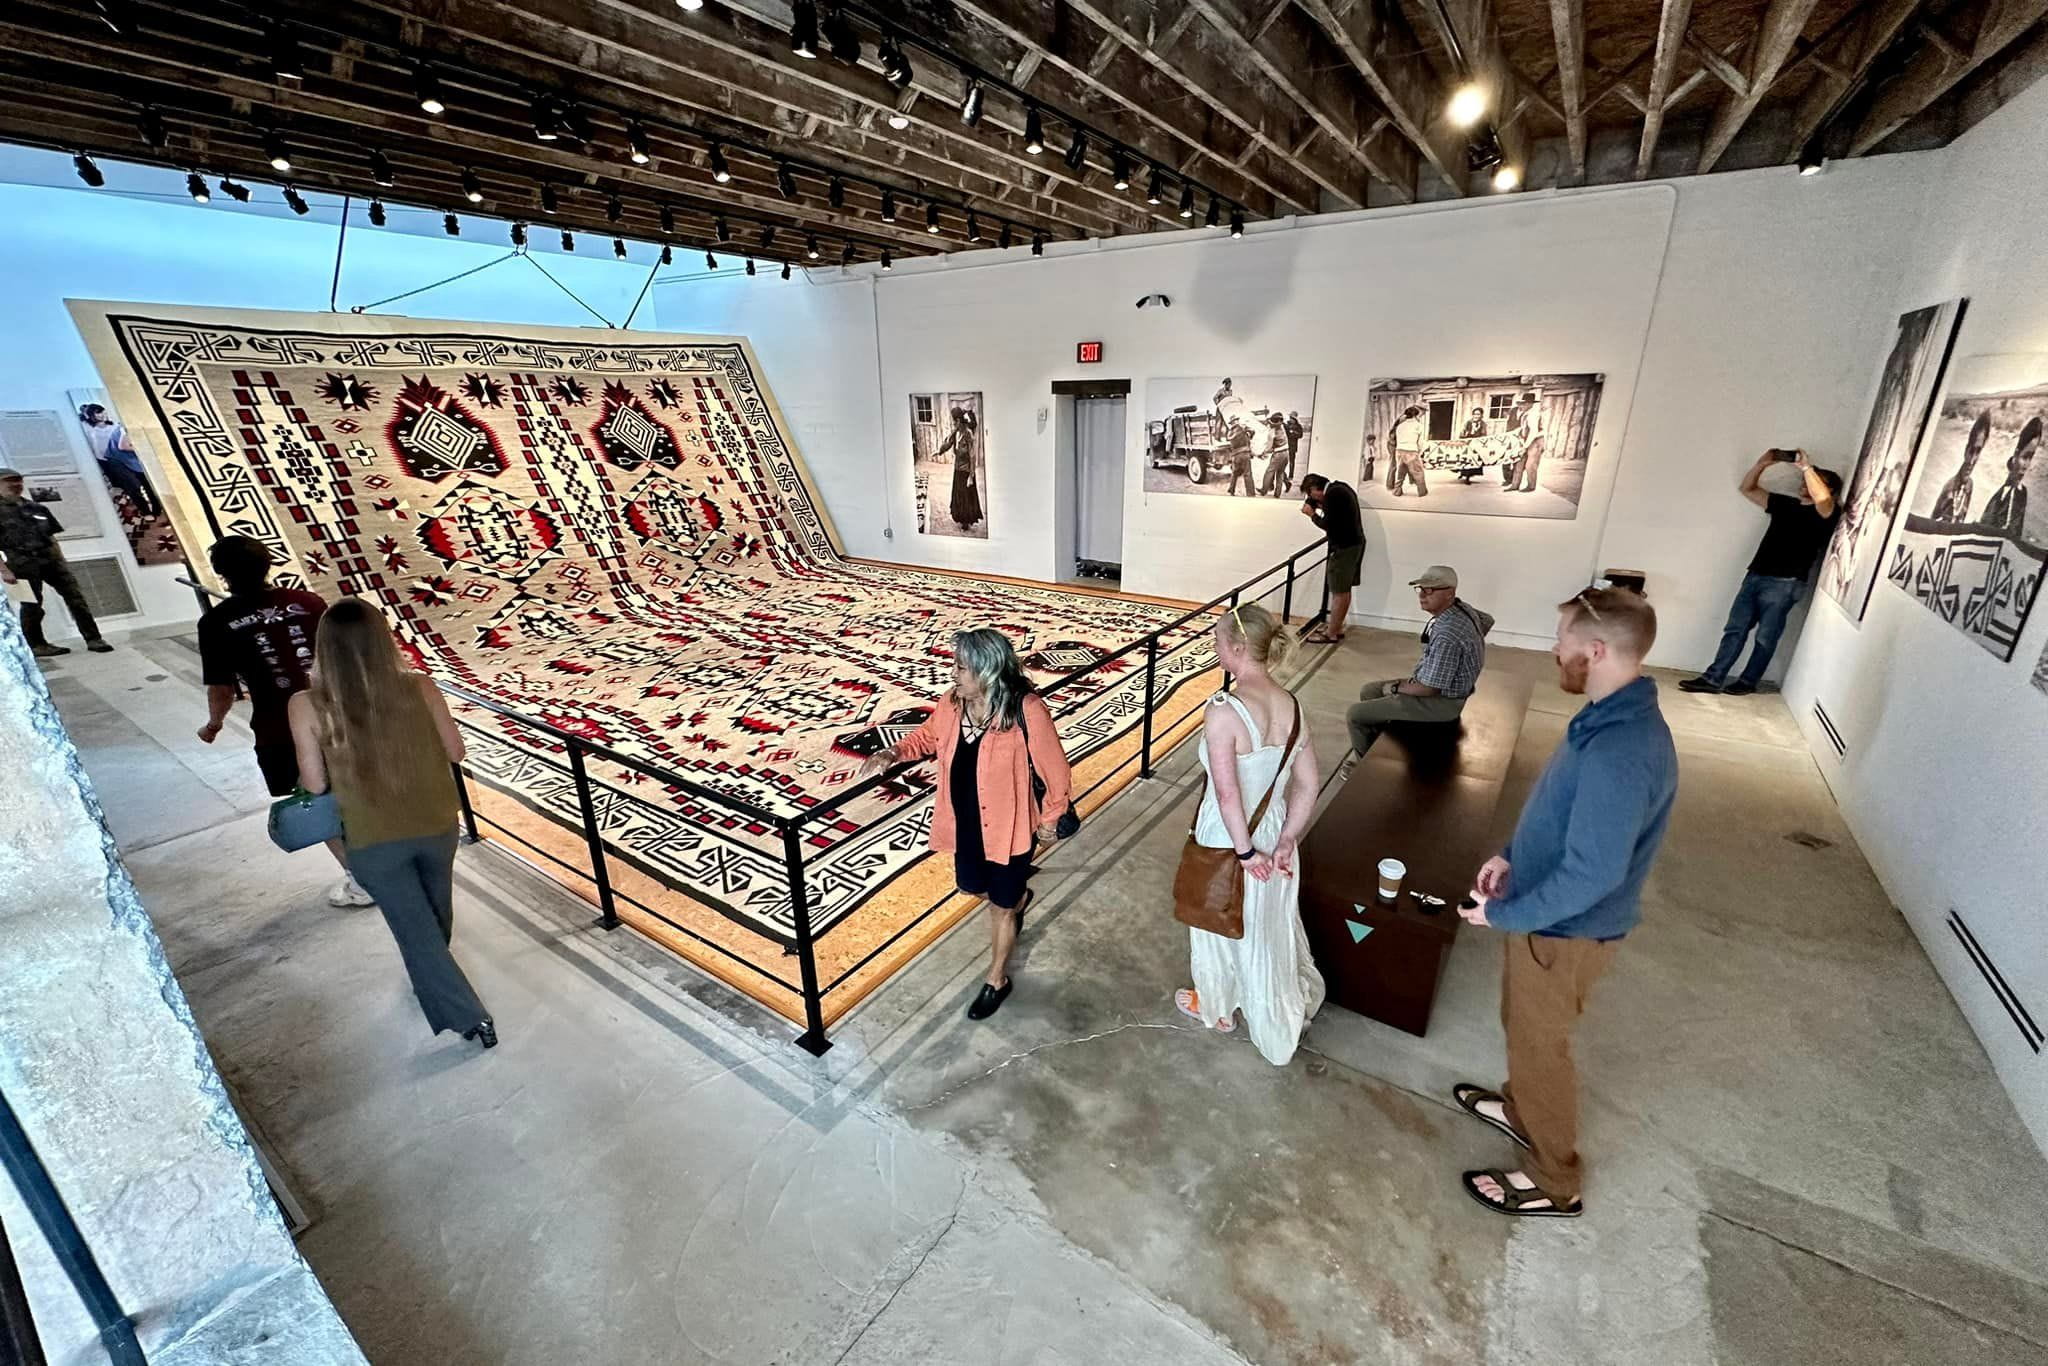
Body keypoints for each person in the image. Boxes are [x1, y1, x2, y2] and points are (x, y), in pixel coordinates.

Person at [1454, 587, 1677, 1218]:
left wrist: (1503, 915)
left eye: (1564, 643)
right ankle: (1522, 1109)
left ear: (1597, 650)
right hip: (1546, 916)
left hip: (1566, 929)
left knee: (1539, 1047)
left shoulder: (1621, 750)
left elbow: (1593, 873)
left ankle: (1554, 1179)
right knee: (1521, 1027)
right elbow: (1558, 812)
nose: (1554, 651)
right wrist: (1511, 858)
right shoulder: (1608, 716)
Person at [287, 598, 496, 1049]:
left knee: (414, 927)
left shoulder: (305, 705)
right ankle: (450, 995)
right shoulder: (420, 685)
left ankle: (466, 1014)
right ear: (383, 639)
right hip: (435, 820)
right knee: (434, 914)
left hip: (372, 836)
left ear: (323, 647)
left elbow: (316, 784)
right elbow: (456, 752)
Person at [860, 628, 1074, 1021]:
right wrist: (893, 751)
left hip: (1008, 830)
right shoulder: (953, 703)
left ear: (987, 672)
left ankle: (997, 979)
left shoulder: (1026, 710)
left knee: (1000, 908)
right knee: (972, 887)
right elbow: (928, 736)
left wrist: (1050, 819)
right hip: (964, 826)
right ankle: (1017, 899)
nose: (953, 673)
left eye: (961, 667)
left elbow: (1056, 772)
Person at [1176, 604, 1325, 1064]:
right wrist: (1286, 840)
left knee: (1219, 919)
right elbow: (1309, 783)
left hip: (1230, 835)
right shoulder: (1292, 705)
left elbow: (1226, 796)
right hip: (1277, 827)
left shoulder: (1225, 709)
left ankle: (1219, 1006)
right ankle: (1267, 998)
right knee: (1266, 923)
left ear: (1237, 649)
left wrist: (1244, 854)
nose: (1215, 648)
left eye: (1218, 641)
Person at [196, 535, 373, 909]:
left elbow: (222, 687)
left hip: (282, 727)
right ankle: (387, 862)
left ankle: (363, 881)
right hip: (341, 712)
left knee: (317, 800)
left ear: (221, 573)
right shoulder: (308, 602)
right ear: (267, 565)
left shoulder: (216, 621)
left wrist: (213, 725)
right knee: (360, 790)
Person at [1679, 450, 1841, 696]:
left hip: (1787, 582)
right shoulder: (1785, 504)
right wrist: (1762, 464)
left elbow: (1823, 501)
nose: (1804, 485)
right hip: (1756, 574)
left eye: (1813, 482)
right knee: (1735, 629)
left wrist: (1807, 469)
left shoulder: (1827, 513)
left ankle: (1748, 681)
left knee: (1766, 637)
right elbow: (1747, 489)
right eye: (1805, 480)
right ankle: (1713, 679)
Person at [1344, 566, 1492, 757]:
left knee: (1355, 715)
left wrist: (1395, 688)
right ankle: (1379, 751)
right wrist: (1469, 649)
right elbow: (1488, 620)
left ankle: (1361, 765)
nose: (1422, 595)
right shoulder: (1463, 608)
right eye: (1420, 589)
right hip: (1436, 687)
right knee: (1369, 690)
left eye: (1430, 590)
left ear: (1449, 593)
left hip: (1443, 703)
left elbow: (1430, 689)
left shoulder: (1448, 635)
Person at [0, 467, 113, 658]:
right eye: (10, 481)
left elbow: (51, 537)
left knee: (76, 599)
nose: (16, 484)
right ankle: (36, 644)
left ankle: (93, 638)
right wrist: (3, 571)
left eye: (19, 480)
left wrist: (60, 560)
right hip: (20, 564)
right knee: (30, 605)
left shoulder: (37, 508)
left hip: (51, 560)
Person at [1300, 473, 1364, 645]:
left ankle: (1331, 633)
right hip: (1353, 544)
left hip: (1344, 547)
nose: (1310, 498)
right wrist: (1313, 503)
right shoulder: (1340, 487)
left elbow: (1329, 526)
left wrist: (1312, 515)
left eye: (1310, 494)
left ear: (1315, 489)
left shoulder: (1334, 496)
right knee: (1343, 590)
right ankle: (1336, 627)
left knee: (1339, 591)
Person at [77, 403, 162, 520]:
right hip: (110, 460)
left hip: (128, 457)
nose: (102, 415)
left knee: (146, 483)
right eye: (98, 413)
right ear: (91, 415)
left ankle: (156, 508)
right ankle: (145, 511)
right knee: (131, 486)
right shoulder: (89, 429)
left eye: (103, 411)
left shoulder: (115, 426)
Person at [1982, 416, 2039, 538]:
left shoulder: (2023, 492)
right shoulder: (2002, 492)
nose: (2027, 465)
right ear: (2016, 454)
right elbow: (1985, 528)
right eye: (2025, 457)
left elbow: (2018, 530)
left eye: (2031, 458)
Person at [1931, 413, 1988, 524]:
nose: (1972, 460)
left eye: (1978, 452)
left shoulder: (1969, 485)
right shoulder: (1949, 487)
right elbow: (1931, 522)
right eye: (1971, 451)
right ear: (1966, 450)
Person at [934, 407, 983, 533]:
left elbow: (972, 456)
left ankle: (966, 522)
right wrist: (939, 451)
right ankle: (961, 518)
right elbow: (949, 444)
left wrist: (971, 476)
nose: (952, 424)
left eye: (953, 421)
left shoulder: (968, 434)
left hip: (966, 471)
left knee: (966, 497)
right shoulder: (956, 433)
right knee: (959, 496)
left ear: (958, 421)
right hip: (957, 470)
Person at [1508, 392, 1545, 493]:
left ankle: (1531, 486)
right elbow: (1524, 428)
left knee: (1530, 464)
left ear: (1530, 404)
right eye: (1521, 404)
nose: (1521, 406)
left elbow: (1533, 431)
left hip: (1536, 441)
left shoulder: (1534, 414)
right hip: (1525, 439)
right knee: (1519, 462)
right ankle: (1515, 485)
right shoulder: (1525, 414)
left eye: (1523, 404)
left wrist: (1525, 446)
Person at [1391, 405, 1428, 497]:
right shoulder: (1418, 426)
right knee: (1418, 472)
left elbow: (1397, 439)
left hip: (1399, 450)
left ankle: (1397, 491)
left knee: (1400, 472)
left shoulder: (1400, 426)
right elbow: (1420, 442)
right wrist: (1419, 452)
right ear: (1416, 415)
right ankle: (1422, 492)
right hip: (1411, 450)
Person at [1283, 410, 1305, 491]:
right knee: (1284, 462)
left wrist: (1293, 433)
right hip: (1285, 446)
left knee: (1292, 462)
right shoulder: (1286, 425)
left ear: (1294, 419)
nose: (1290, 419)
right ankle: (1285, 475)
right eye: (1290, 418)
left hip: (1292, 447)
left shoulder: (1298, 426)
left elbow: (1300, 435)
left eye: (1291, 418)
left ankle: (1290, 475)